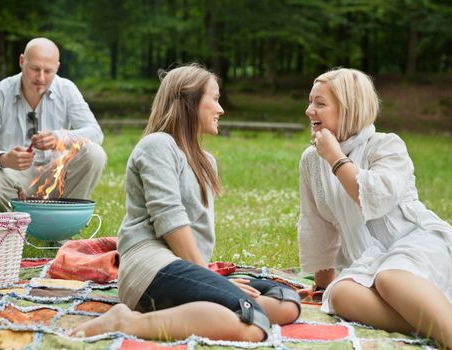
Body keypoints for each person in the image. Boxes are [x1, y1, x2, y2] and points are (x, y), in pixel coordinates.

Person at [71, 64, 301, 341]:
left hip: (186, 269)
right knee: (253, 326)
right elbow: (170, 220)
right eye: (214, 99)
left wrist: (212, 281)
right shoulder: (157, 145)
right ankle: (125, 322)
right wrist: (208, 277)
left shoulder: (207, 162)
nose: (221, 109)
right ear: (189, 101)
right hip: (150, 269)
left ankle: (198, 312)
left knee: (287, 301)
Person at [298, 67, 452, 349]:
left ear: (349, 109)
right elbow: (316, 222)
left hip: (415, 242)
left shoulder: (387, 146)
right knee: (339, 296)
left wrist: (336, 157)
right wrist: (324, 282)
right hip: (368, 259)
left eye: (320, 103)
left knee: (390, 279)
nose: (308, 110)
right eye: (310, 101)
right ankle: (444, 318)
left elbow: (372, 199)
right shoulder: (311, 160)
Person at [0, 37, 106, 212]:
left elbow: (95, 133)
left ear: (57, 67)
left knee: (95, 153)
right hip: (15, 177)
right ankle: (20, 228)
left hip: (58, 173)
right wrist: (3, 158)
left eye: (48, 71)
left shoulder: (67, 89)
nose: (41, 78)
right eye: (34, 69)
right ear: (21, 61)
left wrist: (60, 137)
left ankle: (63, 223)